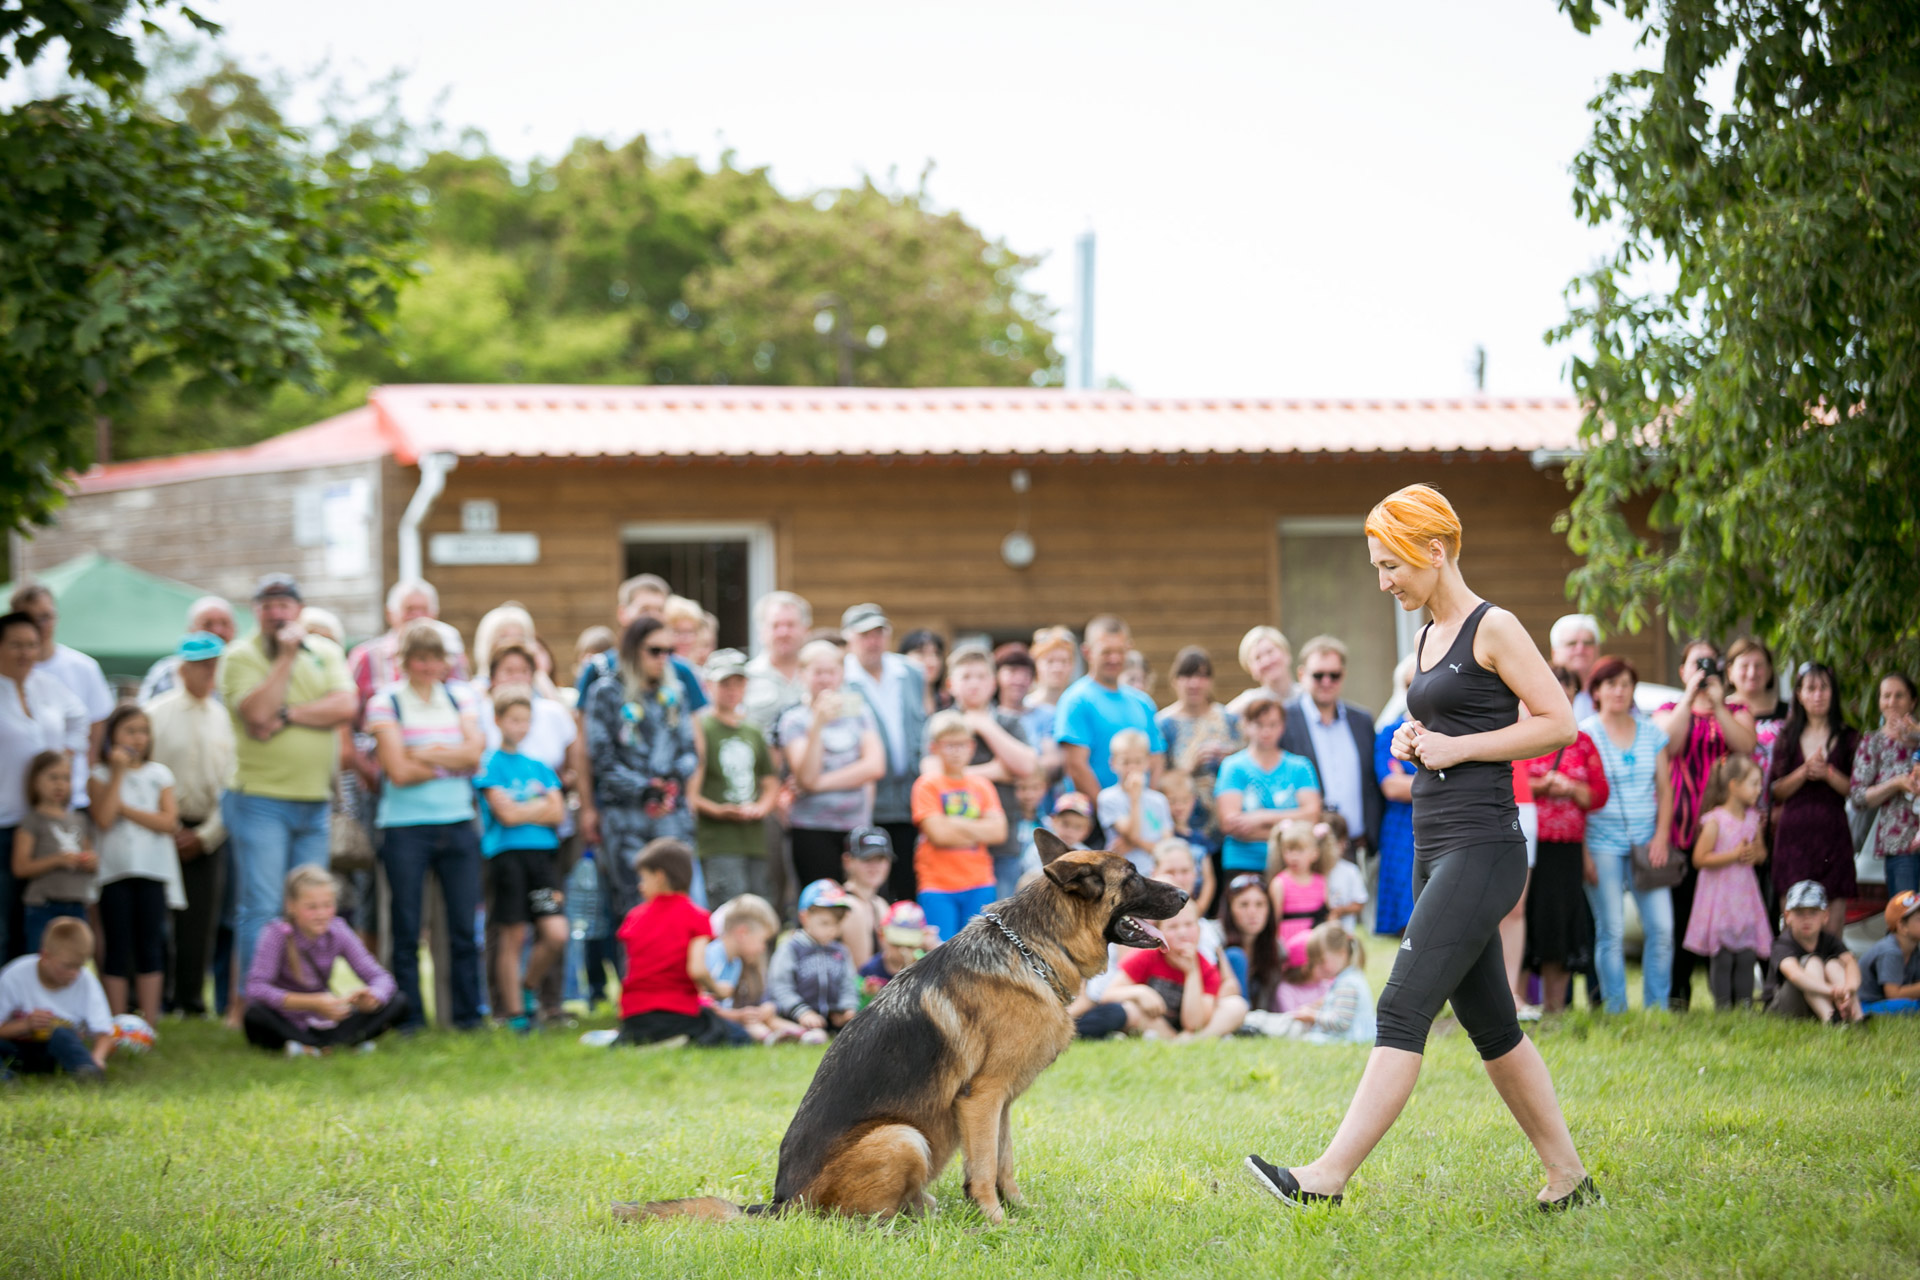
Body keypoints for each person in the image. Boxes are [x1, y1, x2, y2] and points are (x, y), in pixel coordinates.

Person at [1248, 483, 1592, 1214]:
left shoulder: (1493, 626)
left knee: (1401, 1006)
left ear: (1434, 551)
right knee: (1495, 1028)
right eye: (1377, 567)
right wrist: (1414, 740)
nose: (1384, 581)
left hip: (1484, 849)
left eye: (1391, 565)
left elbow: (1558, 722)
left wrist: (1454, 745)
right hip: (1435, 849)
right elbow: (1448, 731)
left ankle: (1327, 1177)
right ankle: (1568, 1175)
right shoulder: (1427, 636)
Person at [221, 574, 357, 1005]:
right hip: (260, 799)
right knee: (262, 908)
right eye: (268, 604)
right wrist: (284, 658)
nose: (277, 612)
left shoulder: (327, 652)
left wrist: (286, 713)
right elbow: (255, 713)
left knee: (310, 909)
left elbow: (346, 706)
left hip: (314, 802)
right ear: (256, 612)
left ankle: (301, 1000)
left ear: (299, 609)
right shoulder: (240, 656)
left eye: (285, 603)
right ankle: (252, 1006)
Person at [365, 620, 486, 1033]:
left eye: (436, 658)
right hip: (405, 827)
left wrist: (423, 752)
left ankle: (468, 1016)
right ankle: (409, 1017)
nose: (429, 666)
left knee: (463, 929)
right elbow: (396, 771)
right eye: (421, 658)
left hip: (457, 822)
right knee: (405, 927)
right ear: (405, 662)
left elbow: (475, 756)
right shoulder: (385, 702)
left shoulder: (460, 697)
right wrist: (449, 758)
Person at [1655, 638, 1756, 1010]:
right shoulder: (1667, 708)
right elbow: (1668, 744)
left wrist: (1717, 703)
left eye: (1711, 663)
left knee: (1723, 915)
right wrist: (1688, 698)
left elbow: (1745, 745)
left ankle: (1727, 997)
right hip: (1681, 830)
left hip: (1725, 833)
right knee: (1681, 917)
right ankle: (1678, 994)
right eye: (1696, 664)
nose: (1703, 671)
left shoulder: (1737, 709)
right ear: (1682, 671)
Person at [587, 616, 703, 923]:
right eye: (655, 650)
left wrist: (671, 781)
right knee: (635, 907)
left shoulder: (674, 692)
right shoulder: (606, 693)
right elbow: (602, 759)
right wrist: (644, 787)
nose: (663, 659)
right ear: (633, 650)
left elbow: (690, 750)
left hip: (670, 817)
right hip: (627, 819)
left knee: (681, 904)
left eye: (669, 651)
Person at [145, 631, 235, 1019]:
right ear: (182, 669)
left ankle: (191, 999)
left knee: (200, 920)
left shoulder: (225, 719)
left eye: (214, 666)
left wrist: (206, 835)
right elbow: (143, 774)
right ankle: (155, 997)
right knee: (155, 918)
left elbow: (232, 782)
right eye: (201, 666)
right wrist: (166, 825)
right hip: (160, 826)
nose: (208, 674)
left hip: (207, 831)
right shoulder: (156, 714)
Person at [1581, 655, 1677, 1014]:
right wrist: (1584, 855)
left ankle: (1658, 1008)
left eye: (1625, 683)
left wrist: (1661, 837)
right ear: (1597, 691)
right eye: (1610, 684)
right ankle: (1616, 1009)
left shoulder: (1653, 732)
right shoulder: (1585, 733)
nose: (1619, 691)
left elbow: (1665, 790)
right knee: (1612, 931)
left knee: (1662, 929)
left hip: (1647, 844)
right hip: (1600, 844)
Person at [475, 685, 569, 1031]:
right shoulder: (490, 764)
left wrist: (523, 808)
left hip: (541, 861)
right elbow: (506, 816)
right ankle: (515, 1015)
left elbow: (557, 811)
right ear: (498, 720)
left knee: (555, 932)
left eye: (526, 720)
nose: (521, 727)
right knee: (512, 935)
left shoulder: (539, 766)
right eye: (514, 720)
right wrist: (537, 808)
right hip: (507, 859)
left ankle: (527, 986)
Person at [242, 865, 405, 1054]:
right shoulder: (275, 934)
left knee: (398, 1002)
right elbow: (256, 988)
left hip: (328, 1019)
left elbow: (381, 977)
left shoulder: (338, 930)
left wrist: (372, 997)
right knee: (254, 1014)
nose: (321, 914)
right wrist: (311, 1002)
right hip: (288, 1018)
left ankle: (311, 1047)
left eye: (327, 905)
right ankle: (341, 1044)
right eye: (311, 907)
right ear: (291, 906)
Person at [1, 611, 89, 962]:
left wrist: (66, 756)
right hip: (6, 824)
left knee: (39, 928)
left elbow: (80, 717)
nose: (25, 653)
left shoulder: (46, 685)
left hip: (49, 823)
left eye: (32, 645)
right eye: (15, 645)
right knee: (5, 923)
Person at [87, 704, 182, 1025]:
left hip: (153, 870)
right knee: (117, 944)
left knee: (150, 944)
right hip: (114, 872)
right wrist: (117, 773)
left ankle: (149, 1022)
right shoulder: (99, 776)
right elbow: (102, 818)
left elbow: (169, 821)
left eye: (143, 731)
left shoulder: (159, 774)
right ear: (112, 735)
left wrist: (126, 811)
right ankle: (116, 1022)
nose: (137, 738)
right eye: (129, 731)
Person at [1521, 665, 1608, 1014]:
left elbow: (1600, 794)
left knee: (1560, 927)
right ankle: (1519, 1004)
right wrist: (1543, 785)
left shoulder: (1582, 741)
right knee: (1523, 921)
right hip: (1527, 845)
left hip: (1567, 848)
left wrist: (1571, 788)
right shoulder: (1521, 734)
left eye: (1567, 688)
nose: (1561, 692)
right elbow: (1508, 781)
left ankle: (1556, 1008)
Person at [778, 639, 885, 889]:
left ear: (842, 674)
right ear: (802, 674)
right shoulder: (793, 720)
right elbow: (805, 773)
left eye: (831, 672)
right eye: (818, 672)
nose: (825, 679)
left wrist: (816, 784)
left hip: (856, 825)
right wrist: (817, 724)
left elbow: (875, 766)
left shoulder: (861, 713)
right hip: (811, 828)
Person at [614, 838, 741, 1047]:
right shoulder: (696, 917)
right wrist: (719, 990)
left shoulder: (633, 917)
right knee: (735, 1034)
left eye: (643, 879)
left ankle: (647, 1042)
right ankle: (676, 1040)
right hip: (676, 1013)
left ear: (659, 876)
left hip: (633, 1017)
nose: (640, 886)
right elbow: (698, 970)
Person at [841, 603, 928, 902]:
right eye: (864, 634)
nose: (873, 641)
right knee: (870, 882)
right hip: (866, 799)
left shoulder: (911, 672)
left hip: (909, 798)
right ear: (850, 638)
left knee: (906, 880)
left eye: (879, 633)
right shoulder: (842, 678)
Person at [936, 642, 1035, 897]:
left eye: (981, 676)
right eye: (966, 676)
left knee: (999, 920)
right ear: (951, 684)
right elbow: (933, 775)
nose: (974, 684)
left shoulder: (1009, 722)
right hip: (953, 846)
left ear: (994, 682)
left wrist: (984, 726)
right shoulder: (940, 723)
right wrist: (999, 770)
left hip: (1003, 845)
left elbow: (1026, 766)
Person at [1767, 663, 1858, 937]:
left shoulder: (1848, 736)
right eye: (1811, 688)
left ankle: (1830, 978)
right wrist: (1804, 772)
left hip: (1833, 835)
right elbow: (1775, 790)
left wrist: (1828, 773)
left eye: (1824, 688)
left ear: (1833, 693)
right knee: (1795, 930)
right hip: (1794, 838)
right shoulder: (1786, 736)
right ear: (1799, 694)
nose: (1817, 695)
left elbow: (1856, 790)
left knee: (1831, 931)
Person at [689, 649, 782, 906]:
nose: (732, 690)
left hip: (754, 839)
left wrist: (762, 807)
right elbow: (691, 793)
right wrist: (719, 810)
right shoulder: (702, 728)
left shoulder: (752, 730)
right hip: (718, 840)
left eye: (738, 683)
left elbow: (769, 780)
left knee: (761, 903)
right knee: (730, 907)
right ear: (709, 685)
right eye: (724, 684)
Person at [1681, 757, 1773, 1010]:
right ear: (1734, 785)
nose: (1758, 790)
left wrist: (1755, 854)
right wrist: (1733, 855)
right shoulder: (1715, 820)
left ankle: (1743, 1007)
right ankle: (1722, 1008)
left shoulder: (1753, 819)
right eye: (1754, 784)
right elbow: (1700, 858)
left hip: (1744, 897)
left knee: (1746, 955)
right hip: (1719, 898)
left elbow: (1762, 853)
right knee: (1722, 957)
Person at [1282, 636, 1383, 861]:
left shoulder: (1362, 720)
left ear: (1343, 676)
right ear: (1301, 675)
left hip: (1356, 846)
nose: (1326, 681)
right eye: (1318, 675)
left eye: (1334, 675)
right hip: (1304, 850)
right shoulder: (1284, 720)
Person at [910, 711, 1007, 942]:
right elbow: (938, 834)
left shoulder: (982, 785)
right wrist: (978, 827)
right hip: (937, 884)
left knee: (979, 952)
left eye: (961, 744)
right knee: (942, 951)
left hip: (980, 881)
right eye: (949, 745)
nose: (956, 751)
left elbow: (999, 832)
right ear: (935, 747)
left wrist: (951, 822)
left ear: (971, 746)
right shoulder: (927, 785)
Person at [1055, 617, 1166, 812]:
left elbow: (1155, 759)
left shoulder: (1143, 702)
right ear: (1087, 652)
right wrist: (1111, 818)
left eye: (1120, 651)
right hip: (1095, 821)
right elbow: (1076, 766)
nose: (1114, 658)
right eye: (1106, 652)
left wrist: (1143, 811)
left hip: (1140, 817)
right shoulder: (1077, 700)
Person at [1215, 694, 1322, 879]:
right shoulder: (1233, 766)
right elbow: (1230, 823)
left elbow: (1312, 815)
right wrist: (1289, 829)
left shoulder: (1300, 766)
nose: (1266, 731)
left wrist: (1259, 818)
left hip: (1291, 865)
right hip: (1243, 862)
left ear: (1282, 726)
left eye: (1272, 724)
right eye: (1259, 724)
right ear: (1246, 725)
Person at [1104, 898, 1243, 1040]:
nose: (1182, 932)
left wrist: (1192, 972)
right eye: (1173, 927)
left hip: (1189, 1028)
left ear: (1199, 930)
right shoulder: (1146, 956)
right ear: (1159, 932)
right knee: (1130, 1009)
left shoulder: (1207, 968)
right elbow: (1107, 995)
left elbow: (1194, 1024)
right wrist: (1140, 992)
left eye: (1189, 925)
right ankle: (1173, 1040)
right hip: (1155, 1022)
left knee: (1236, 1005)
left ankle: (1196, 1040)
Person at [10, 583, 114, 767]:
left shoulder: (83, 667)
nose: (40, 626)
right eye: (31, 619)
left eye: (46, 617)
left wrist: (82, 770)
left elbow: (96, 726)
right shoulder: (8, 675)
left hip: (72, 786)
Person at [0, 917, 114, 1080]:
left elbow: (105, 1033)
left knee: (61, 1034)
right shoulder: (15, 974)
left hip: (57, 1054)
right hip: (17, 1049)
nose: (74, 973)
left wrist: (97, 1058)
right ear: (45, 956)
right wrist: (26, 1025)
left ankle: (87, 1072)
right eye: (68, 966)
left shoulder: (86, 981)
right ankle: (4, 1079)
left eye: (79, 966)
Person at [345, 580, 470, 722]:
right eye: (409, 609)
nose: (417, 616)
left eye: (423, 610)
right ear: (390, 614)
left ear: (435, 614)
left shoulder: (450, 654)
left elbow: (464, 705)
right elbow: (345, 713)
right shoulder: (365, 657)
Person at [1156, 646, 1239, 858]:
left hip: (1227, 825)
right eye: (1187, 675)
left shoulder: (1228, 719)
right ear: (1175, 680)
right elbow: (1157, 780)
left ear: (1210, 681)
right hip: (1184, 829)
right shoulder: (1163, 724)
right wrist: (1189, 768)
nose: (1194, 683)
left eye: (1201, 676)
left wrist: (1229, 759)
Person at [11, 752, 96, 953]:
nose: (59, 784)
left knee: (74, 960)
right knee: (41, 958)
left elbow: (92, 861)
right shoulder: (32, 821)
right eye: (53, 777)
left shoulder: (79, 820)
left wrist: (90, 861)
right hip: (43, 906)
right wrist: (57, 860)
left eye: (65, 778)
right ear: (35, 781)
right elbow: (20, 867)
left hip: (76, 905)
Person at [1244, 923, 1376, 1044]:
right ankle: (1253, 1021)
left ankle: (1252, 1022)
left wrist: (1312, 1016)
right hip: (1348, 1035)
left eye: (1322, 961)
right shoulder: (1350, 978)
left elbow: (1341, 1022)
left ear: (1342, 954)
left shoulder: (1347, 984)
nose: (1319, 967)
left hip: (1348, 1037)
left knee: (1302, 1036)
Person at [1852, 674, 1920, 896]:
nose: (1892, 702)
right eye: (1886, 696)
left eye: (1899, 695)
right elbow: (1859, 797)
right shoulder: (1874, 743)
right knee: (1907, 918)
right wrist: (1897, 784)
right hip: (1901, 847)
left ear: (1913, 701)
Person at [768, 878, 860, 1039]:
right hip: (796, 1016)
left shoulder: (840, 951)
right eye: (825, 923)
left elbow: (848, 983)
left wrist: (847, 1009)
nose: (832, 930)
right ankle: (793, 1033)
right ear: (805, 918)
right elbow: (781, 986)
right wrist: (802, 1012)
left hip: (832, 1020)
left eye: (837, 924)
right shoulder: (791, 948)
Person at [703, 894, 801, 1043]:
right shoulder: (713, 955)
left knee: (754, 1020)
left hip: (724, 1017)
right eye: (763, 941)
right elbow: (704, 1003)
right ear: (743, 933)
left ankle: (800, 1034)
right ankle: (772, 1037)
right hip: (709, 1019)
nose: (762, 948)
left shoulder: (736, 963)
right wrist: (736, 1016)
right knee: (745, 1026)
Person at [1762, 880, 1861, 1022]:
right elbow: (1795, 975)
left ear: (1825, 916)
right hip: (1781, 1007)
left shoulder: (1829, 940)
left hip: (1812, 1005)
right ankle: (1830, 1018)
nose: (1806, 919)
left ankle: (1857, 1017)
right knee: (1812, 961)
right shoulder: (1782, 944)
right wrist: (1832, 990)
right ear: (1788, 916)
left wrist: (1848, 988)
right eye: (1799, 913)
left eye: (1813, 912)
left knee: (1833, 964)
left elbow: (1850, 962)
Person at [1372, 657, 1418, 937]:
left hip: (1447, 826)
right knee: (1407, 920)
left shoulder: (1452, 732)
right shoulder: (1389, 733)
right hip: (1402, 832)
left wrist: (1410, 783)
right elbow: (1391, 786)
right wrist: (1441, 782)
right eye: (1409, 684)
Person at [1097, 728, 1173, 872]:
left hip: (1154, 871)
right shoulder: (1108, 798)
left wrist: (1133, 843)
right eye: (1125, 762)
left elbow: (1166, 846)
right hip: (1123, 872)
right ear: (1113, 763)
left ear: (1147, 762)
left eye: (1138, 761)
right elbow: (1132, 834)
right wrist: (1134, 799)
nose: (1132, 767)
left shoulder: (1159, 800)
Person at [137, 596, 237, 704]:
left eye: (224, 623)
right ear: (190, 630)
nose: (217, 631)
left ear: (235, 629)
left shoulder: (243, 670)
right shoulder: (167, 673)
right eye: (207, 624)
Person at [742, 591, 811, 736]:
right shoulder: (744, 678)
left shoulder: (823, 675)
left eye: (791, 625)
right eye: (775, 625)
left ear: (806, 630)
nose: (783, 632)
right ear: (761, 631)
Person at [1267, 819, 1330, 970]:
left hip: (1314, 943)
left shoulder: (1321, 882)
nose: (1293, 857)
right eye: (1289, 851)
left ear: (1314, 853)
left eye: (1300, 851)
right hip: (1288, 944)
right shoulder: (1280, 883)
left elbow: (1327, 914)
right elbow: (1273, 921)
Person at [1221, 872, 1282, 1011]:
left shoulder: (1277, 948)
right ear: (1229, 910)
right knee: (1235, 955)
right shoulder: (1215, 939)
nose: (1252, 912)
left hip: (1260, 1016)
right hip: (1224, 1011)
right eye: (1243, 905)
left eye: (1260, 904)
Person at [1158, 770, 1216, 915]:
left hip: (1195, 906)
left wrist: (1199, 909)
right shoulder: (1163, 836)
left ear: (1193, 800)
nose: (1179, 807)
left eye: (1184, 801)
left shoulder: (1201, 839)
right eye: (1172, 801)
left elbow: (1209, 880)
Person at [839, 826, 896, 970]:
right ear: (848, 861)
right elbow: (864, 973)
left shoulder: (880, 904)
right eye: (867, 859)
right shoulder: (847, 905)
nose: (874, 866)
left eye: (880, 859)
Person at [1859, 890, 1920, 1015]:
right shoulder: (1891, 951)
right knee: (1909, 1005)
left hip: (1886, 1003)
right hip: (1864, 1005)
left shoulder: (1914, 950)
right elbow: (1893, 994)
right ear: (1902, 927)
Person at [858, 900, 932, 1000]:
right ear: (882, 936)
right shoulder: (870, 970)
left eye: (910, 945)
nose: (903, 950)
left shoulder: (927, 967)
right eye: (896, 944)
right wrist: (867, 995)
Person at [1230, 625, 1295, 716]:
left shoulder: (1308, 695)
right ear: (1250, 669)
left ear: (1286, 654)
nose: (1266, 661)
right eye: (1257, 658)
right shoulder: (1248, 703)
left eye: (1270, 652)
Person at [1548, 615, 1603, 721]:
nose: (1580, 650)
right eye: (1571, 643)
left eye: (1587, 643)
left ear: (1597, 650)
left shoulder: (1614, 690)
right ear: (1554, 652)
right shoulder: (1539, 690)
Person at [1320, 815, 1368, 935]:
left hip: (1345, 932)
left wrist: (1340, 911)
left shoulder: (1350, 871)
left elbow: (1359, 903)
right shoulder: (1314, 871)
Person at [899, 628, 951, 717]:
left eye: (936, 653)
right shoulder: (897, 699)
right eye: (921, 653)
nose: (932, 661)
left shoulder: (948, 702)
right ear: (903, 657)